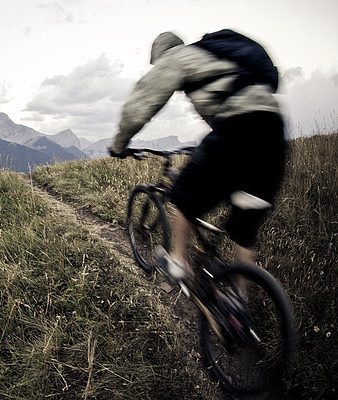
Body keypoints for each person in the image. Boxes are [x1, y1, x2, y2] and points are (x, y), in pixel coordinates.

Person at [109, 30, 286, 294]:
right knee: (244, 226)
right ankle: (239, 302)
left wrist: (119, 145)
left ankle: (178, 263)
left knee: (183, 197)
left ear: (160, 54)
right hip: (273, 133)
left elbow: (142, 102)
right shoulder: (214, 58)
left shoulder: (177, 57)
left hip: (237, 128)